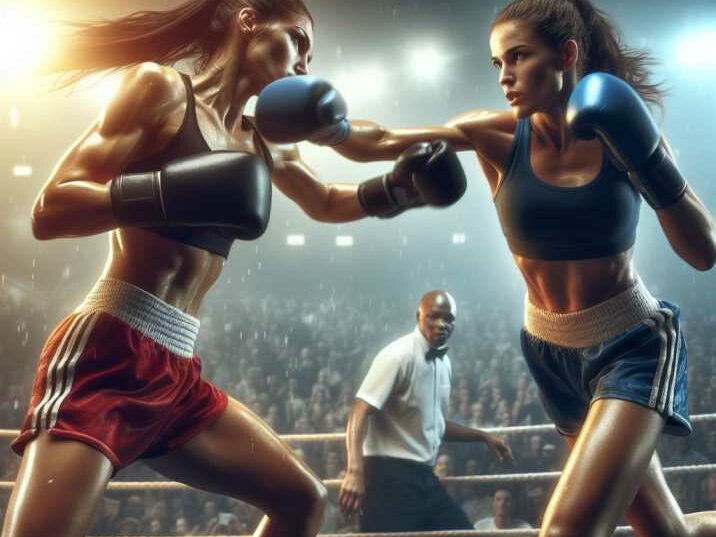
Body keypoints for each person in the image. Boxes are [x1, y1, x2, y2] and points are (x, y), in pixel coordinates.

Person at [1, 2, 468, 537]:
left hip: (176, 370)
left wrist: (397, 190)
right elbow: (51, 208)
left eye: (310, 56)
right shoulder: (161, 90)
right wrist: (170, 189)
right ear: (248, 20)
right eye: (296, 40)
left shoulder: (260, 139)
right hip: (105, 351)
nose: (303, 65)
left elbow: (326, 201)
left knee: (304, 503)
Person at [264, 0, 716, 535]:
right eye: (497, 63)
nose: (504, 76)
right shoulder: (495, 135)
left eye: (519, 58)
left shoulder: (622, 134)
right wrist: (323, 125)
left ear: (566, 55)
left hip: (632, 345)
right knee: (668, 532)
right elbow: (380, 142)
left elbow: (703, 250)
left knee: (566, 529)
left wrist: (647, 156)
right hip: (550, 352)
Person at [338, 290, 512, 532]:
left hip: (424, 477)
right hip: (387, 476)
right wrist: (354, 471)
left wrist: (482, 436)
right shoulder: (398, 355)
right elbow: (358, 410)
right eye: (433, 317)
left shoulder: (444, 363)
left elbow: (435, 424)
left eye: (448, 319)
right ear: (418, 316)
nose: (441, 324)